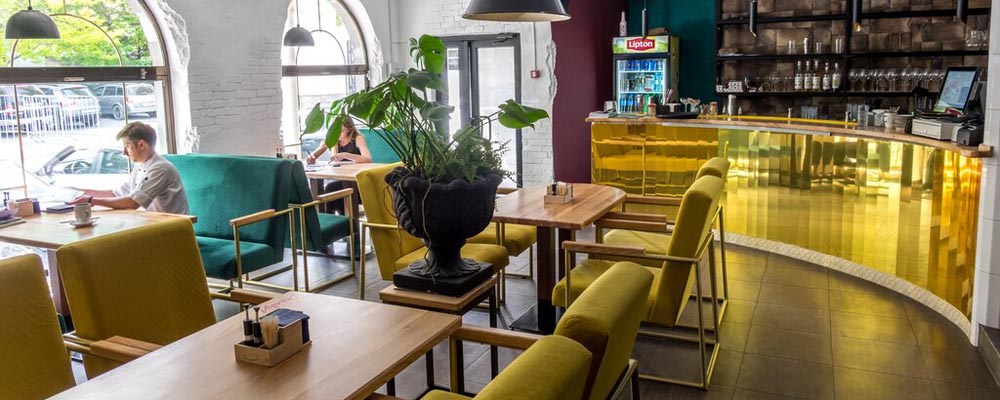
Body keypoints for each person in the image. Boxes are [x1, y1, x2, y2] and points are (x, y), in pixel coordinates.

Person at [67, 122, 189, 215]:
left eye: (127, 146)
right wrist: (82, 193)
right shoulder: (140, 166)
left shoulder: (161, 169)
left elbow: (133, 202)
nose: (124, 152)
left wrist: (91, 200)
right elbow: (116, 194)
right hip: (156, 225)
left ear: (141, 145)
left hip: (173, 229)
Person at [304, 118, 372, 165]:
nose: (337, 134)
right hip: (340, 174)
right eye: (335, 131)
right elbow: (316, 153)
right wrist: (312, 157)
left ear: (349, 130)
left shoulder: (357, 138)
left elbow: (367, 159)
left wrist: (345, 155)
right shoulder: (332, 138)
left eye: (342, 131)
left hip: (357, 174)